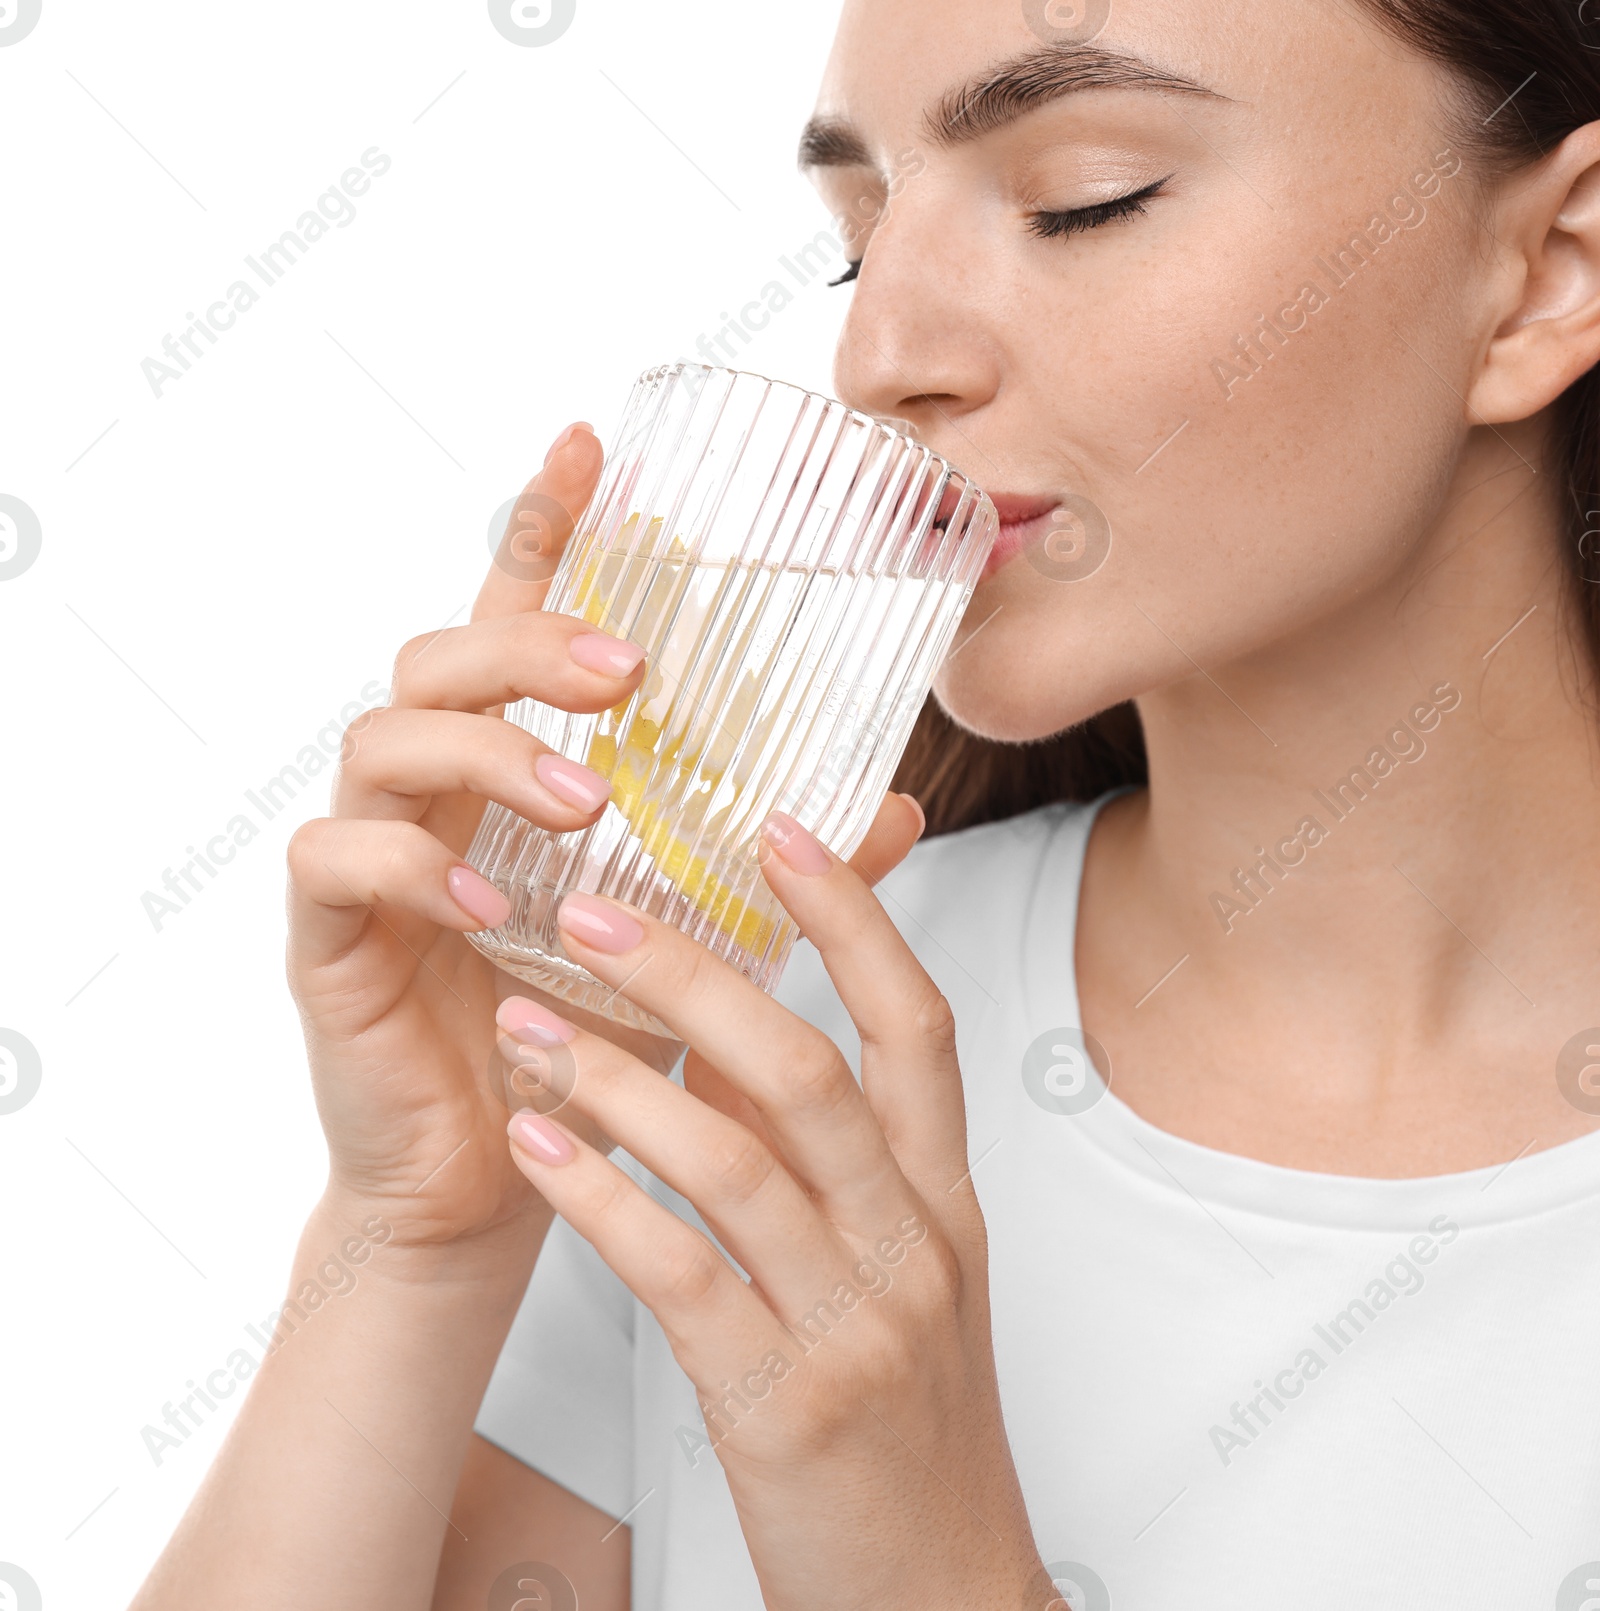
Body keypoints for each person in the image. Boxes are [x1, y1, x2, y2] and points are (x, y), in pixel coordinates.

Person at [133, 0, 1600, 1605]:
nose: (878, 356)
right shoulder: (757, 1046)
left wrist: (929, 1563)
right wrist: (423, 1232)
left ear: (1545, 271)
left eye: (1083, 197)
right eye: (857, 238)